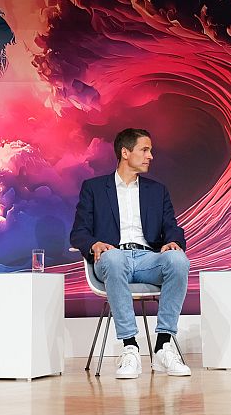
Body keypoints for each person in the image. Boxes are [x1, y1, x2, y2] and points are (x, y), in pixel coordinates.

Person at [70, 128, 191, 379]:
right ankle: (130, 348)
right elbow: (79, 233)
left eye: (150, 150)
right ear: (125, 153)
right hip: (112, 258)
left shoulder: (156, 191)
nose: (151, 156)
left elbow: (172, 226)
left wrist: (172, 241)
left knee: (178, 261)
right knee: (114, 258)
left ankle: (163, 346)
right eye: (144, 150)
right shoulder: (94, 188)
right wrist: (93, 245)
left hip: (148, 258)